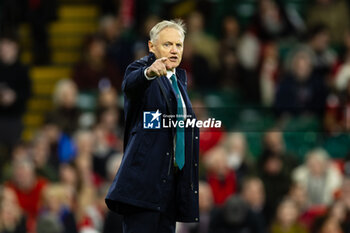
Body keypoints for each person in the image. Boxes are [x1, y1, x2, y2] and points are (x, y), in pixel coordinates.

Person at [105, 19, 200, 233]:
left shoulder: (180, 82)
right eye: (167, 44)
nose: (174, 50)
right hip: (143, 187)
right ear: (151, 47)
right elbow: (130, 84)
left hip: (169, 188)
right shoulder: (142, 70)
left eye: (179, 45)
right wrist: (149, 72)